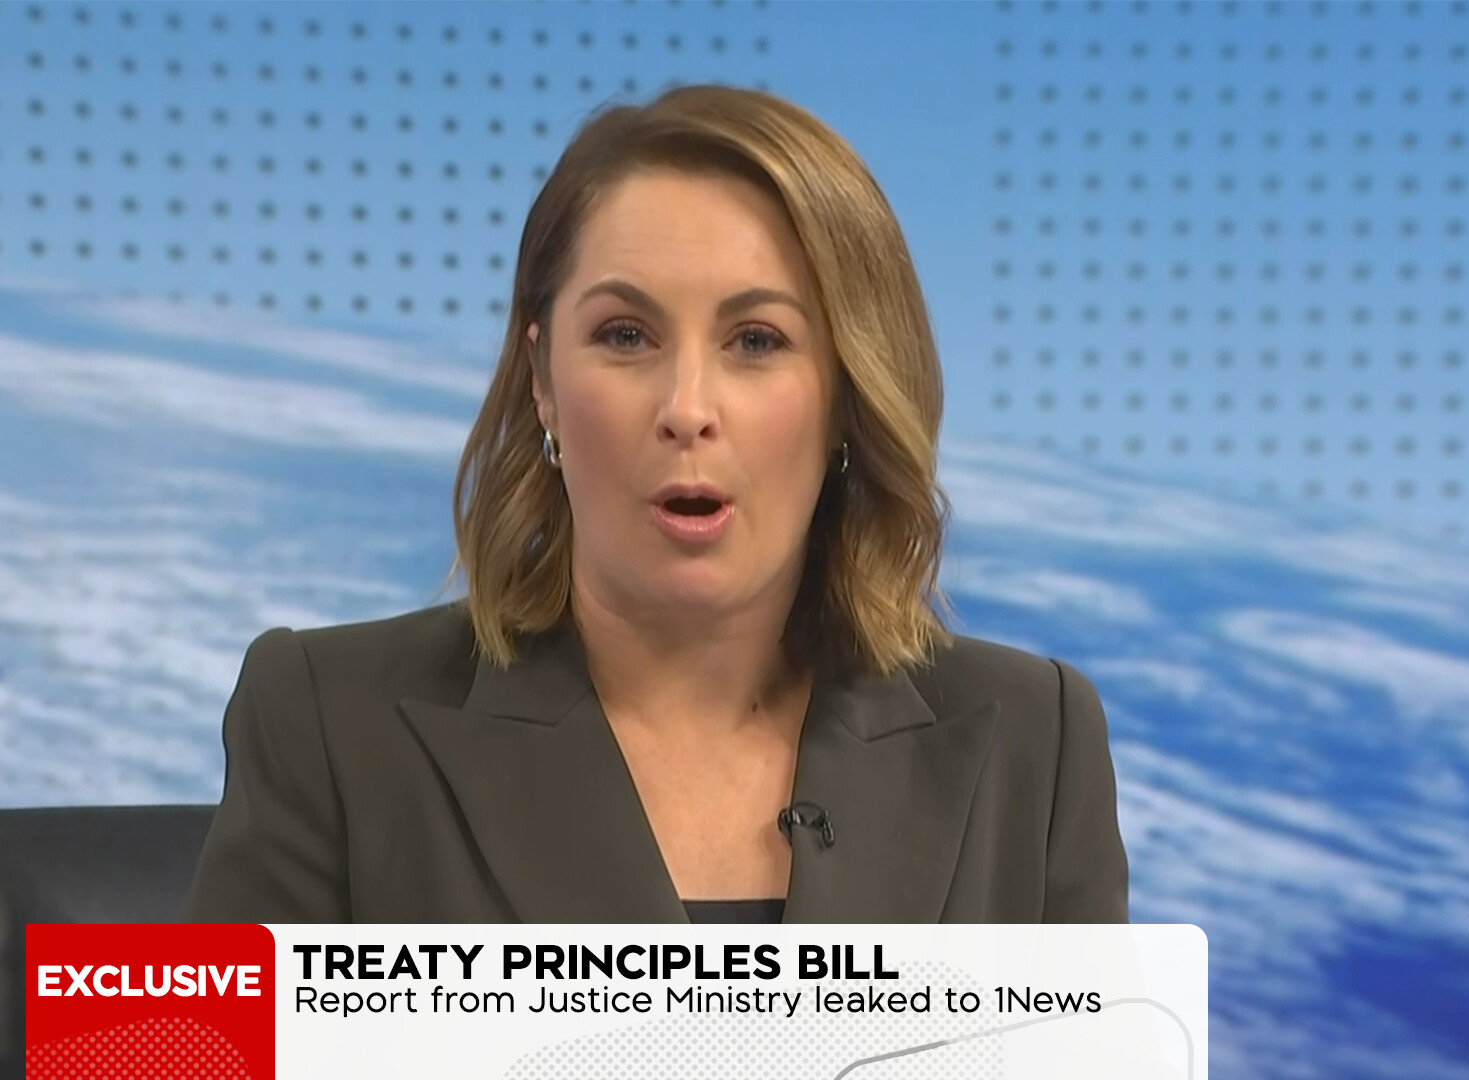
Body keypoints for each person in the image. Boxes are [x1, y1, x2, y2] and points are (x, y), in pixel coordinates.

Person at [183, 84, 1129, 924]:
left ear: (849, 394)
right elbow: (169, 1047)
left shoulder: (1034, 745)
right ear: (543, 381)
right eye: (626, 335)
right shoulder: (328, 723)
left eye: (756, 341)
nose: (687, 409)